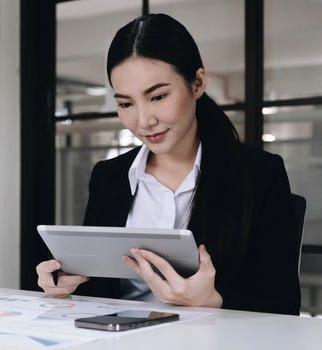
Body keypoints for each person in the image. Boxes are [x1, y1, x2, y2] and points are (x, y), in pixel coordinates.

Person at [36, 13, 301, 315]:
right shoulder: (108, 177)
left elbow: (283, 304)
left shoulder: (259, 175)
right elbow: (99, 288)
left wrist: (214, 302)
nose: (144, 121)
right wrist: (63, 282)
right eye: (125, 104)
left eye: (158, 96)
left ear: (198, 83)